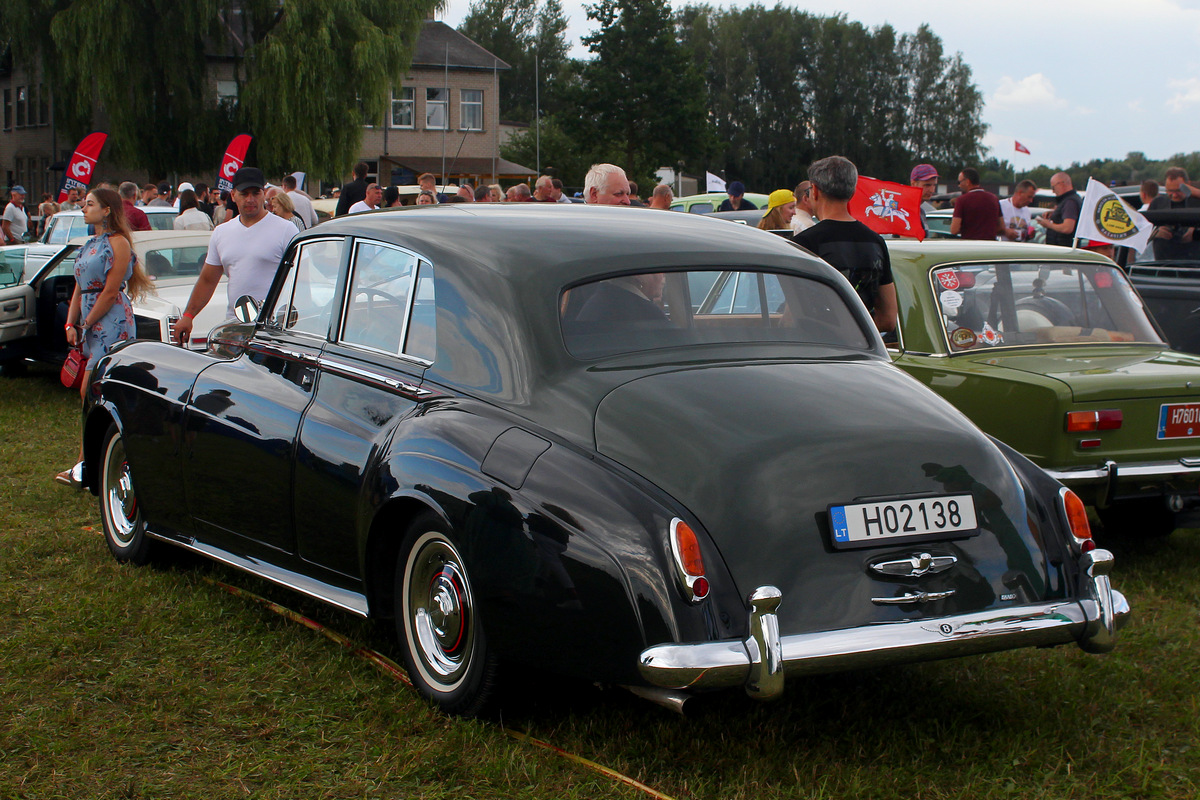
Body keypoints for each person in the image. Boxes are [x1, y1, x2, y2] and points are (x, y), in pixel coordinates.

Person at [55, 187, 154, 486]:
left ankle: (89, 462)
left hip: (110, 321)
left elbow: (111, 291)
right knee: (91, 392)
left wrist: (86, 322)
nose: (84, 209)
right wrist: (71, 323)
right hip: (90, 319)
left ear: (107, 209)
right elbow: (78, 287)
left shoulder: (118, 243)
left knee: (92, 389)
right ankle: (90, 460)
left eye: (90, 204)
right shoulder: (89, 244)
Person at [174, 167, 296, 345]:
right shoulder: (221, 233)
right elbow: (208, 280)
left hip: (275, 332)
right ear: (233, 195)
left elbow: (303, 279)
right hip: (235, 330)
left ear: (264, 194)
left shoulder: (286, 230)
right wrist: (188, 315)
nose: (250, 199)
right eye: (244, 193)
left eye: (256, 193)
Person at [793, 156, 897, 333]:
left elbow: (795, 314)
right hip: (862, 352)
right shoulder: (875, 242)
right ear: (852, 192)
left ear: (815, 191)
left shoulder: (804, 243)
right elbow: (888, 320)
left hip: (819, 350)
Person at [1148, 167, 1200, 260]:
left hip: (1194, 263)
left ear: (1188, 185)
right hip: (1163, 263)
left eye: (1178, 190)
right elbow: (1141, 231)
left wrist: (1195, 232)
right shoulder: (1158, 203)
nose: (1174, 195)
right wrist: (1155, 233)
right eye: (1170, 191)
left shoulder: (1197, 202)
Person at [950, 168, 1002, 240]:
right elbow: (1001, 227)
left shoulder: (961, 200)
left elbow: (954, 230)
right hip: (990, 245)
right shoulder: (994, 199)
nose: (959, 185)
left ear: (967, 182)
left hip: (970, 245)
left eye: (959, 182)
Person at [1036, 172, 1081, 247]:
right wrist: (1054, 214)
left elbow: (1067, 228)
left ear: (1061, 184)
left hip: (1064, 250)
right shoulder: (1071, 199)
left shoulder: (1070, 202)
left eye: (1053, 187)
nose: (1053, 191)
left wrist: (1048, 224)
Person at [909, 164, 939, 232]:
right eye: (927, 185)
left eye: (934, 185)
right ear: (913, 184)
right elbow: (909, 241)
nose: (932, 190)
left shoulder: (920, 211)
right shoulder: (907, 211)